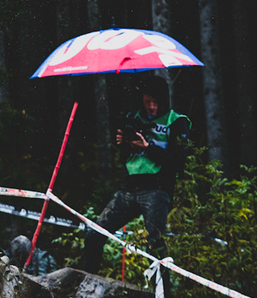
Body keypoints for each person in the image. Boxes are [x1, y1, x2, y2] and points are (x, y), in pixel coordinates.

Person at [79, 74, 189, 286]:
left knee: (155, 245)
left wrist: (147, 147)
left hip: (157, 189)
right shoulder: (133, 117)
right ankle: (85, 286)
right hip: (129, 188)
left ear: (164, 100)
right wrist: (123, 143)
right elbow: (124, 158)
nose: (151, 107)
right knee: (95, 234)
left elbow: (178, 162)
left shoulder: (177, 121)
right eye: (147, 101)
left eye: (155, 102)